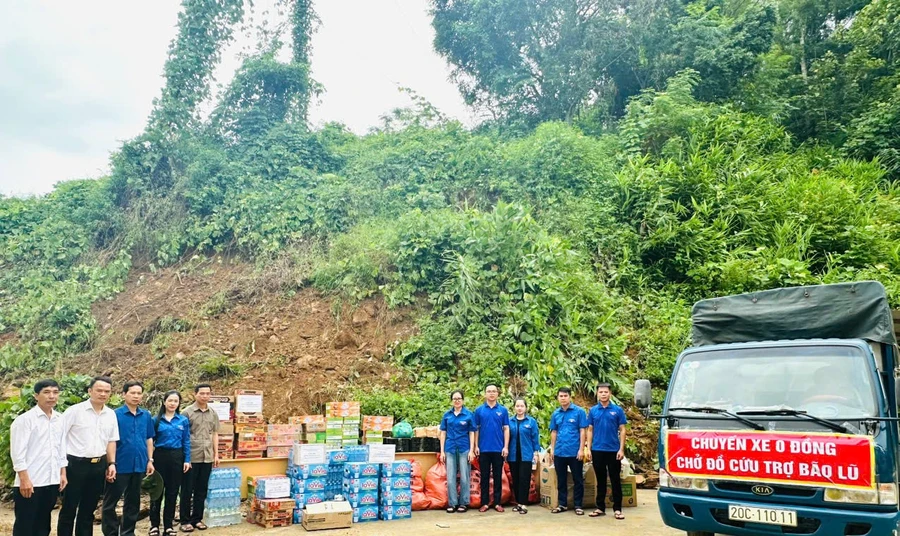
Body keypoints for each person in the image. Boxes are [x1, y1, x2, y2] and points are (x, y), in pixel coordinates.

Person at [58, 376, 120, 536]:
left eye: (107, 391)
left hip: (99, 465)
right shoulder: (74, 411)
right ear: (90, 391)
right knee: (69, 507)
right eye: (99, 390)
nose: (103, 394)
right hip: (75, 464)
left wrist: (111, 463)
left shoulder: (111, 414)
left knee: (88, 508)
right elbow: (59, 438)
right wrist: (61, 467)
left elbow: (111, 440)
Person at [10, 379, 68, 536]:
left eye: (55, 392)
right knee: (25, 525)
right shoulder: (25, 420)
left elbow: (61, 448)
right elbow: (18, 453)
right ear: (36, 396)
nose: (52, 396)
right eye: (46, 392)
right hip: (31, 481)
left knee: (43, 525)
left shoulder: (60, 419)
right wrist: (24, 479)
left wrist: (62, 473)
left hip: (51, 480)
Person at [102, 381, 155, 536]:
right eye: (132, 393)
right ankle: (111, 532)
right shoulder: (114, 415)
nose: (136, 396)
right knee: (110, 503)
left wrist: (150, 460)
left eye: (139, 393)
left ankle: (128, 532)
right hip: (119, 465)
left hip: (139, 464)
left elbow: (149, 438)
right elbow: (108, 441)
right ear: (124, 394)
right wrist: (110, 463)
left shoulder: (146, 415)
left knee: (133, 502)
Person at [180, 383, 220, 532]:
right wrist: (185, 458)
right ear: (195, 394)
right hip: (191, 458)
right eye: (202, 393)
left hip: (207, 457)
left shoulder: (213, 413)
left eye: (208, 394)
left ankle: (197, 519)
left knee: (201, 490)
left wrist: (216, 454)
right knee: (187, 490)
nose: (205, 396)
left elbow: (215, 433)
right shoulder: (186, 413)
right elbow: (182, 437)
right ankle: (184, 520)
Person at [150, 390, 191, 536]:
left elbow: (186, 441)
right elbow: (150, 441)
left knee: (172, 492)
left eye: (176, 401)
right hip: (159, 456)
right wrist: (150, 460)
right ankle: (154, 525)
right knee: (157, 492)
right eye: (170, 400)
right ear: (164, 402)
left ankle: (168, 526)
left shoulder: (182, 421)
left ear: (179, 403)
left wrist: (187, 460)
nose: (173, 403)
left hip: (177, 457)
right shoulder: (156, 420)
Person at [587, 383, 628, 520]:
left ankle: (617, 509)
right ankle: (600, 508)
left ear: (610, 393)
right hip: (597, 450)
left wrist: (621, 449)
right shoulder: (593, 411)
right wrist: (588, 448)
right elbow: (590, 430)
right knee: (601, 480)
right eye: (600, 392)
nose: (603, 394)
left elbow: (622, 430)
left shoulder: (617, 410)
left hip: (613, 450)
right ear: (597, 394)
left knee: (615, 480)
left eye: (605, 392)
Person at [549, 387, 588, 515]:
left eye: (565, 396)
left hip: (575, 451)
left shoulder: (579, 412)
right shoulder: (556, 414)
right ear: (558, 398)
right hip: (560, 452)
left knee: (578, 479)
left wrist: (581, 449)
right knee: (561, 480)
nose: (563, 398)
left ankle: (578, 505)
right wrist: (553, 449)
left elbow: (583, 431)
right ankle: (562, 504)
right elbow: (554, 432)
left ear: (570, 397)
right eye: (561, 396)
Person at [473, 383, 510, 512]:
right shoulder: (479, 411)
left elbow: (506, 429)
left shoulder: (503, 410)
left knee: (498, 476)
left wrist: (505, 447)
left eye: (494, 391)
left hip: (498, 449)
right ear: (485, 394)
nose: (491, 393)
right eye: (489, 391)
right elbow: (476, 429)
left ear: (497, 394)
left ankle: (497, 502)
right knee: (484, 477)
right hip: (483, 449)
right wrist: (476, 446)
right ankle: (485, 503)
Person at [439, 390, 476, 513]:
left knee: (465, 477)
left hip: (464, 448)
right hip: (449, 448)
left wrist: (471, 451)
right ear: (451, 401)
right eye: (454, 399)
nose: (457, 401)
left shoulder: (468, 415)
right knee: (450, 477)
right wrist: (442, 451)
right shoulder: (447, 415)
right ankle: (452, 503)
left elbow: (472, 433)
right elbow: (443, 433)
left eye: (459, 398)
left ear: (463, 400)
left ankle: (464, 503)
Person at [507, 397, 539, 514]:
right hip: (513, 455)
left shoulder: (531, 422)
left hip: (526, 455)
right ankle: (518, 503)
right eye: (517, 406)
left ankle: (524, 503)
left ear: (526, 408)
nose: (519, 408)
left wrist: (536, 452)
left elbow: (535, 438)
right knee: (515, 479)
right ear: (514, 407)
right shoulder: (509, 421)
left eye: (522, 406)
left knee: (524, 479)